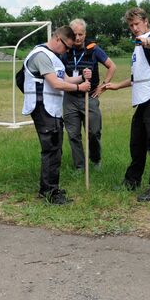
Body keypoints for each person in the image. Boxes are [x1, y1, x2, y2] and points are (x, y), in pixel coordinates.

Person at [98, 7, 150, 202]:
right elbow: (138, 78)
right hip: (145, 98)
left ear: (146, 21)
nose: (134, 28)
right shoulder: (137, 47)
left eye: (137, 24)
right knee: (137, 142)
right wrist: (116, 86)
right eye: (131, 25)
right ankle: (132, 181)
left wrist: (145, 41)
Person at [21, 26, 91, 205]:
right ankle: (50, 192)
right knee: (52, 150)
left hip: (51, 109)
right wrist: (79, 88)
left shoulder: (54, 57)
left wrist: (82, 77)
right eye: (67, 47)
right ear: (57, 38)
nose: (67, 51)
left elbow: (65, 79)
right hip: (43, 108)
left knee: (55, 149)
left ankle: (49, 187)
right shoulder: (41, 55)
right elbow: (55, 84)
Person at [62, 19, 116, 171]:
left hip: (89, 96)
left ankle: (96, 159)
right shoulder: (65, 50)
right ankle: (79, 166)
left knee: (93, 132)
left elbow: (112, 66)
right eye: (75, 34)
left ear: (85, 34)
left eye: (81, 34)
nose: (78, 38)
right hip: (70, 97)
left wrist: (103, 86)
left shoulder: (93, 49)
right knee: (73, 134)